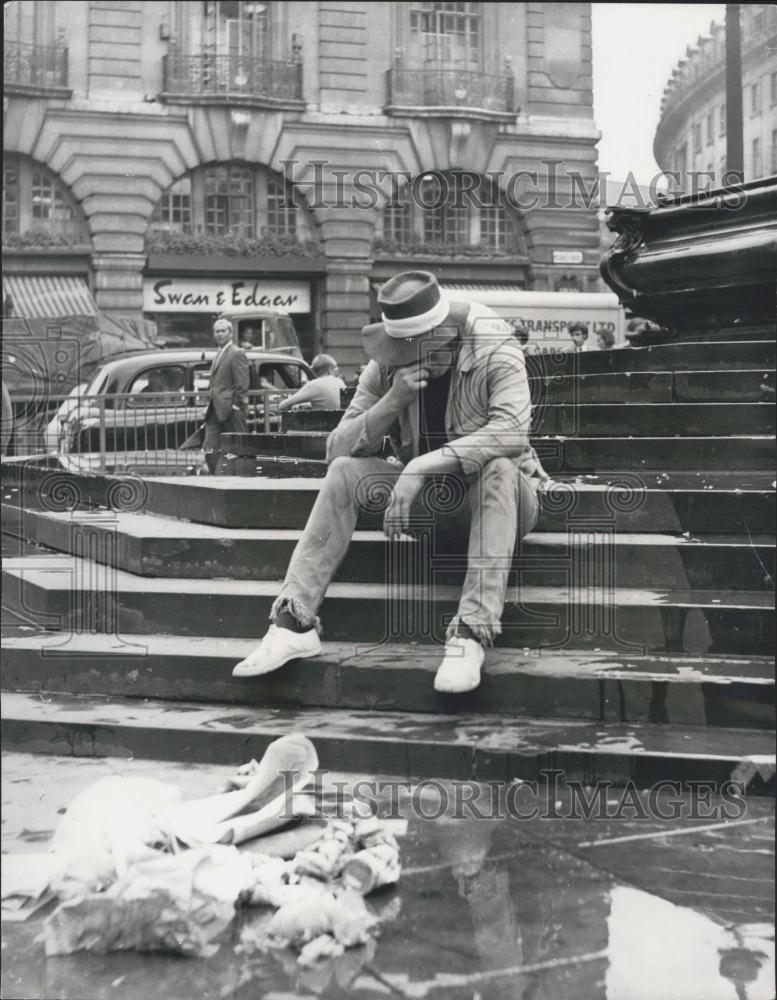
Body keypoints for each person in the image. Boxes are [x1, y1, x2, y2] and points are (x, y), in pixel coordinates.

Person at [233, 270, 550, 694]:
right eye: (403, 351)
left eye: (427, 349)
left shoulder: (495, 344)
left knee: (498, 466)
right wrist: (391, 401)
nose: (413, 359)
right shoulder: (387, 364)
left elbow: (512, 434)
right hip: (435, 509)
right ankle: (294, 624)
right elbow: (336, 450)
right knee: (345, 474)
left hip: (503, 502)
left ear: (450, 333)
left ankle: (471, 634)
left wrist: (420, 466)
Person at [203, 318, 249, 475]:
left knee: (240, 448)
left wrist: (236, 405)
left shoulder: (236, 353)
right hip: (215, 409)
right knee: (210, 448)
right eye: (217, 331)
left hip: (230, 409)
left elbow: (242, 384)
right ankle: (217, 479)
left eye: (223, 331)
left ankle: (243, 481)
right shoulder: (219, 354)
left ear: (231, 333)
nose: (220, 334)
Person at [277, 354, 346, 411]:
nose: (336, 371)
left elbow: (283, 405)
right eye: (335, 368)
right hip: (339, 423)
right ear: (330, 369)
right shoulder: (340, 382)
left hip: (320, 425)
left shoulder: (314, 385)